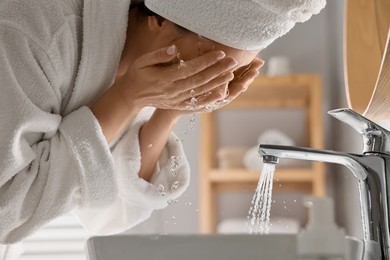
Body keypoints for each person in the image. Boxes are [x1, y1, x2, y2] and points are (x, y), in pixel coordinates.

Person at [0, 0, 326, 248]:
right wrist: (127, 98)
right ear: (160, 20)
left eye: (228, 74)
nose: (206, 87)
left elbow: (109, 210)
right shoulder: (30, 33)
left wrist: (171, 111)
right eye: (206, 68)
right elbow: (6, 206)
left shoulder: (150, 64)